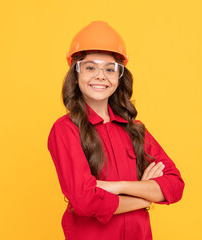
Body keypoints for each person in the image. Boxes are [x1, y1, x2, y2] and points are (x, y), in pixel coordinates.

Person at [47, 21, 184, 240]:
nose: (101, 76)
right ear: (76, 72)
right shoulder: (65, 129)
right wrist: (143, 196)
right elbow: (84, 202)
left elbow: (175, 186)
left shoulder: (135, 129)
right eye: (90, 67)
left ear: (119, 77)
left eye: (110, 69)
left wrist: (116, 187)